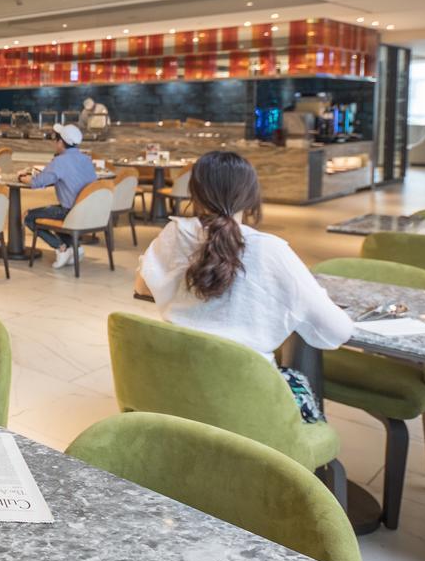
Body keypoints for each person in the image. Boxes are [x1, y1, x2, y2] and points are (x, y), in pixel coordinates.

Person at [134, 151, 352, 422]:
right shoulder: (270, 250)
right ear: (250, 196)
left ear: (195, 192)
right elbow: (336, 331)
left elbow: (142, 287)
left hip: (179, 392)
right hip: (249, 405)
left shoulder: (176, 233)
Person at [18, 123, 96, 269]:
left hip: (70, 211)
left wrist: (22, 177)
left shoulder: (60, 161)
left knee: (28, 216)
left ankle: (61, 248)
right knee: (53, 213)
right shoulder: (86, 159)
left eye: (56, 140)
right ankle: (75, 247)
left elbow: (37, 182)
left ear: (60, 143)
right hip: (88, 210)